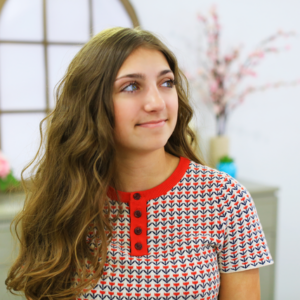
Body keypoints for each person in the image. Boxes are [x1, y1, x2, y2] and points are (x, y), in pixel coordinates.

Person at [5, 27, 273, 300]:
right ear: (91, 103)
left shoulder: (226, 199)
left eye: (166, 83)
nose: (156, 103)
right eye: (131, 86)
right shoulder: (64, 202)